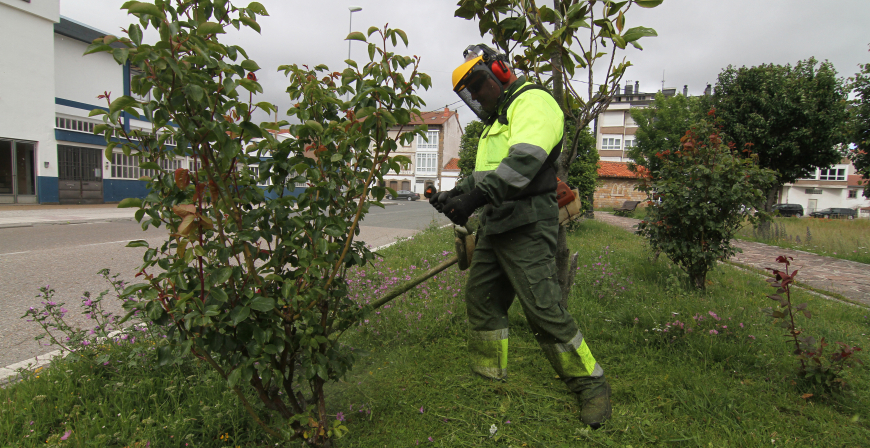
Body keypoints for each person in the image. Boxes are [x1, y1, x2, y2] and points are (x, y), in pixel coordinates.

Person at [429, 44, 611, 429]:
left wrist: (474, 199)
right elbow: (489, 174)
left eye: (479, 85)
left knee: (543, 309)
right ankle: (488, 375)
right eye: (470, 92)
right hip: (497, 223)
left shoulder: (533, 102)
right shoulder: (499, 119)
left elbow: (523, 162)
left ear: (500, 70)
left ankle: (591, 385)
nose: (477, 96)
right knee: (482, 299)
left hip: (527, 222)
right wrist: (457, 193)